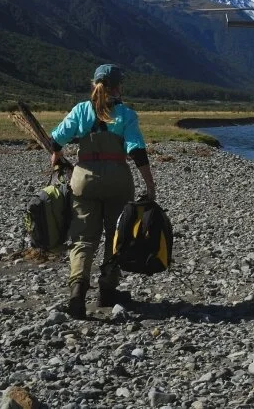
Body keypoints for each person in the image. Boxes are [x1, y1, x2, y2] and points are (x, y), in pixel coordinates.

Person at [49, 64, 156, 319]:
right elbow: (136, 151)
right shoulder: (127, 114)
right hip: (118, 180)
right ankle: (107, 290)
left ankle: (77, 290)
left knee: (83, 238)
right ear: (118, 87)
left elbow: (57, 139)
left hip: (83, 179)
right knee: (115, 236)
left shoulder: (81, 110)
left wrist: (56, 154)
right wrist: (150, 185)